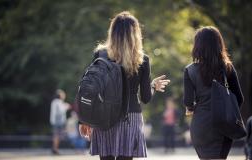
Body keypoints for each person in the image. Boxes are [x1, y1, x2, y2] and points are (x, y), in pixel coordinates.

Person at [79, 11, 170, 160]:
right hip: (130, 117)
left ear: (112, 32)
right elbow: (145, 98)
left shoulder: (101, 55)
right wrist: (153, 86)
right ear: (135, 33)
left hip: (104, 117)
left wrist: (84, 119)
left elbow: (90, 89)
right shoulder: (143, 60)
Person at [183, 26, 244, 159]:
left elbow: (188, 102)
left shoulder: (190, 70)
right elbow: (239, 98)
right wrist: (227, 112)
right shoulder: (227, 67)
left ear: (197, 45)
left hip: (200, 127)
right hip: (223, 127)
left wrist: (192, 108)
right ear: (218, 44)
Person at [50, 89, 70, 155]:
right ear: (60, 95)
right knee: (57, 136)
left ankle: (55, 149)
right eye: (63, 94)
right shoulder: (58, 102)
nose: (64, 95)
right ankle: (55, 149)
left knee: (57, 135)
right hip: (58, 122)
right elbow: (60, 112)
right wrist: (66, 107)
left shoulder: (55, 101)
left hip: (55, 122)